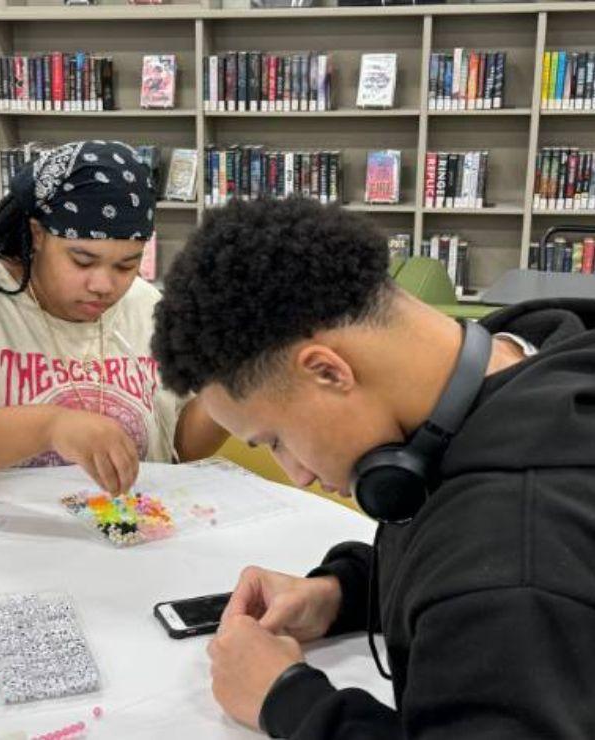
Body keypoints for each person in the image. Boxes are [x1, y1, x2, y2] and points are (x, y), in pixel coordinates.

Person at [151, 196, 595, 738]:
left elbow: (493, 582)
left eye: (275, 440)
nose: (295, 473)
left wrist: (287, 700)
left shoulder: (512, 551)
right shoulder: (533, 352)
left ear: (328, 372)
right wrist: (347, 594)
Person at [0, 140, 226, 492]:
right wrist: (50, 427)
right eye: (82, 261)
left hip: (122, 531)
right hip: (0, 535)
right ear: (37, 234)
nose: (104, 285)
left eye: (126, 264)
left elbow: (179, 447)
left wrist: (234, 381)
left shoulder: (145, 305)